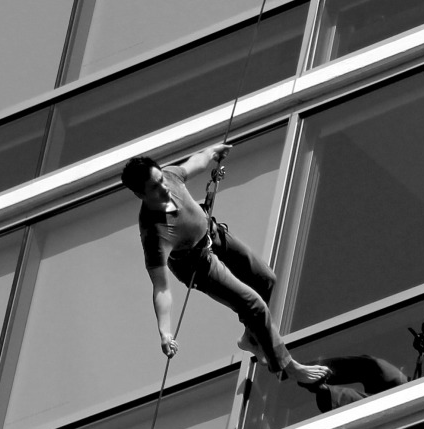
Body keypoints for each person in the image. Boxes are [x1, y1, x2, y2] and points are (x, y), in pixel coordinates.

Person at [120, 145, 327, 385]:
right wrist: (164, 332)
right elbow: (161, 289)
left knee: (265, 279)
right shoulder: (154, 234)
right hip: (198, 265)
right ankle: (288, 366)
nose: (164, 188)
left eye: (161, 180)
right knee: (253, 305)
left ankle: (250, 338)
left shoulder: (169, 176)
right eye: (155, 188)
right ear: (141, 195)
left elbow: (196, 161)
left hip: (213, 233)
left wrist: (212, 152)